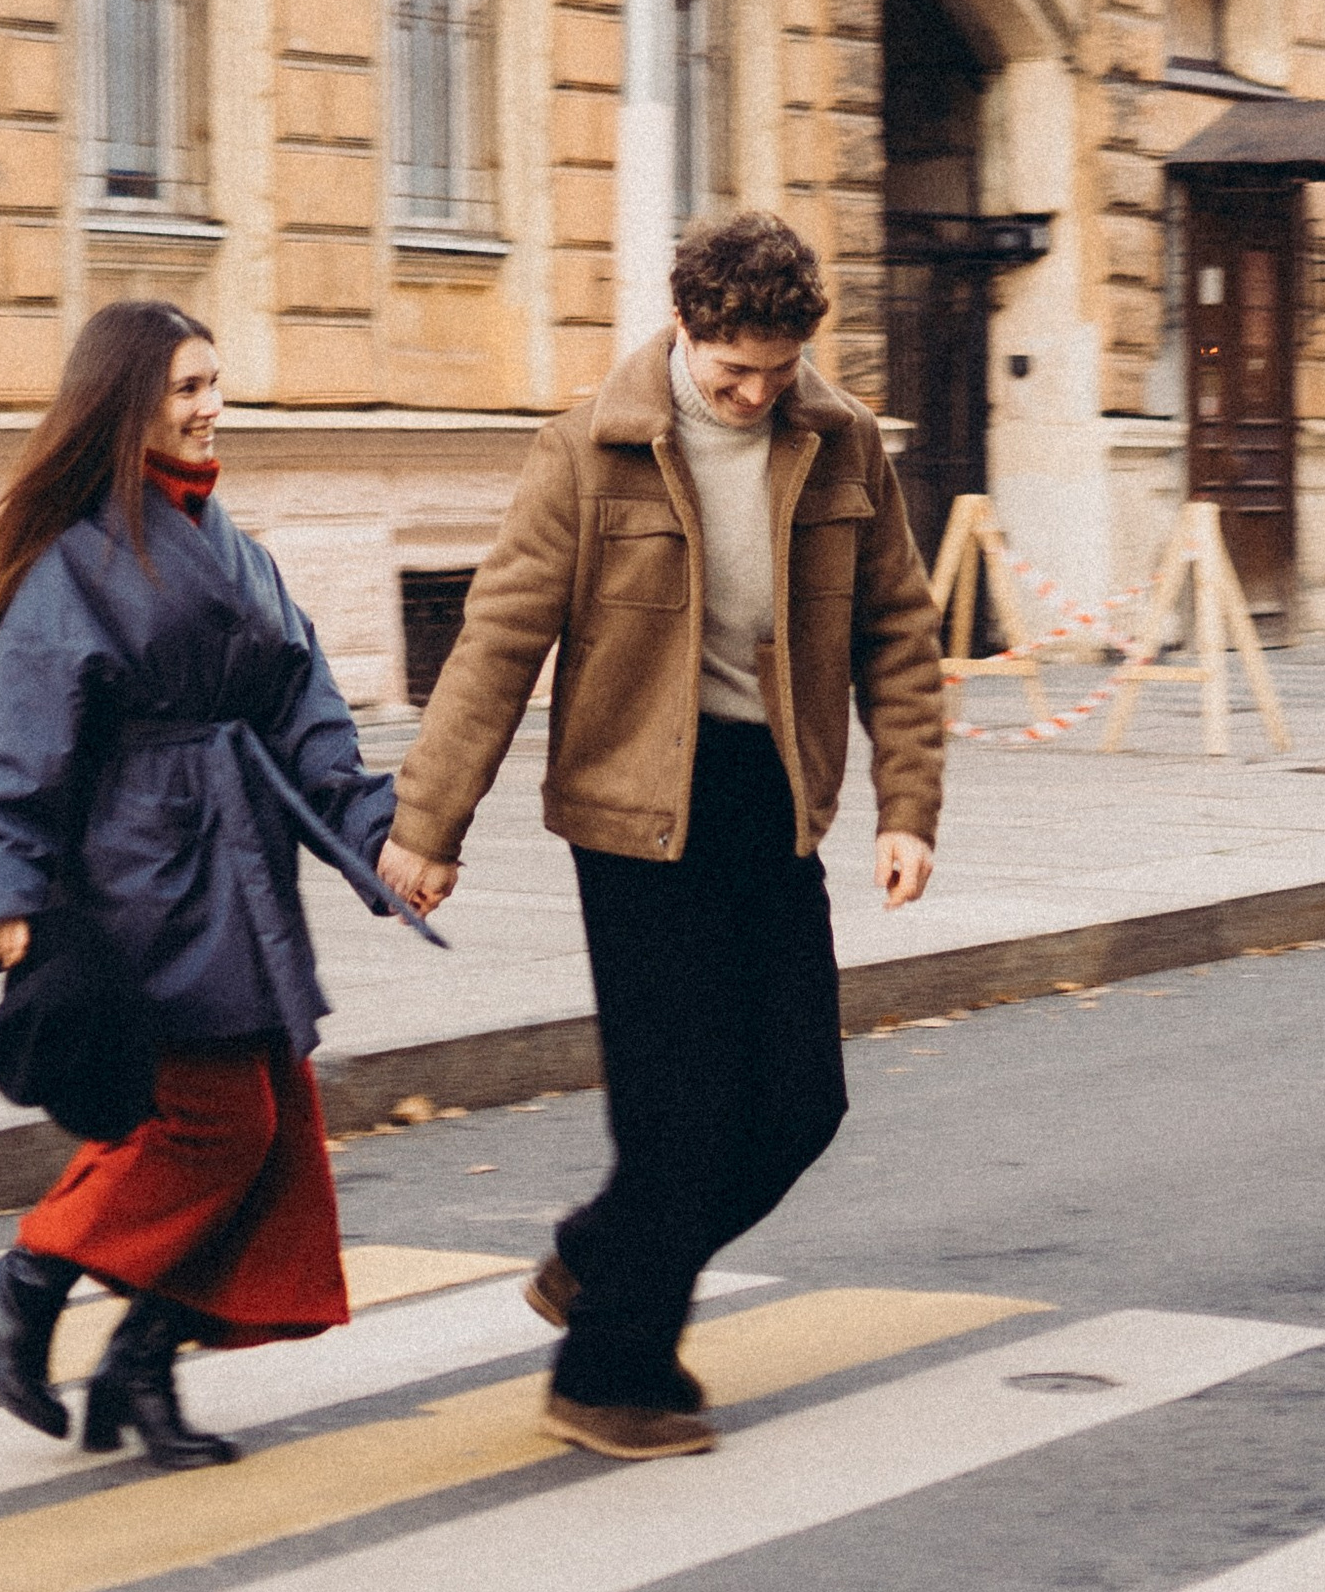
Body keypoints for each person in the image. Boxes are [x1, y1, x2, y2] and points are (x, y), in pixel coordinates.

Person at [388, 208, 944, 1461]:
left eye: (777, 373)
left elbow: (897, 636)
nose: (752, 397)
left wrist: (908, 807)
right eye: (730, 372)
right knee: (680, 1112)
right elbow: (498, 642)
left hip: (771, 797)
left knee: (800, 1102)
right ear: (684, 331)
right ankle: (607, 1372)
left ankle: (598, 1259)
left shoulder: (843, 443)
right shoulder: (590, 452)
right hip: (635, 815)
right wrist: (428, 822)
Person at [0, 301, 451, 1469]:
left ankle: (139, 1365)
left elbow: (311, 725)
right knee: (218, 1123)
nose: (211, 406)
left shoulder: (237, 551)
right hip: (137, 888)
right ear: (125, 405)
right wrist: (6, 902)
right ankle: (25, 1280)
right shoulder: (74, 559)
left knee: (268, 1146)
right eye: (185, 388)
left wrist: (387, 843)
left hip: (240, 878)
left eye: (216, 382)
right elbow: (15, 752)